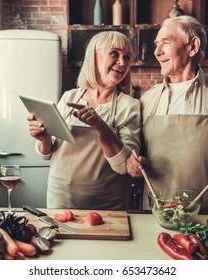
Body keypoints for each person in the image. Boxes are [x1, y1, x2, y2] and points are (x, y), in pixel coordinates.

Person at [126, 15, 208, 212]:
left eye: (165, 43)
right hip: (158, 216)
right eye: (157, 44)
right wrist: (134, 164)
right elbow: (135, 153)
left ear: (193, 46)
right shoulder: (148, 99)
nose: (157, 52)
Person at [27, 31, 141, 210]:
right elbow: (47, 153)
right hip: (59, 197)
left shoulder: (129, 106)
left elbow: (125, 166)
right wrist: (44, 139)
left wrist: (101, 127)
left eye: (127, 57)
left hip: (106, 203)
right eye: (114, 53)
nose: (122, 62)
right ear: (94, 57)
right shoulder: (69, 97)